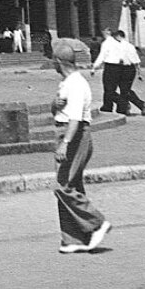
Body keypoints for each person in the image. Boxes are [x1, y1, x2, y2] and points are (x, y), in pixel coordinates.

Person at [50, 39, 112, 253]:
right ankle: (73, 238)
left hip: (74, 135)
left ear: (59, 61)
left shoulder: (76, 83)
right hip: (66, 130)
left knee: (62, 186)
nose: (52, 65)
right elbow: (61, 110)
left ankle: (96, 222)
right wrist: (54, 105)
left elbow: (75, 118)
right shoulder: (67, 82)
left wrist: (65, 143)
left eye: (53, 61)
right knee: (72, 186)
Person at [90, 28, 125, 113]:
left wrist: (94, 67)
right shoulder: (118, 42)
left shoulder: (106, 43)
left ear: (106, 33)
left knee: (108, 88)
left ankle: (121, 103)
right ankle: (108, 106)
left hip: (110, 67)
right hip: (121, 66)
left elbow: (102, 56)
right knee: (112, 88)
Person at [114, 30, 145, 116]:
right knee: (124, 90)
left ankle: (125, 108)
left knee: (125, 90)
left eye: (115, 38)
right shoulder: (118, 46)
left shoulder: (128, 46)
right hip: (121, 69)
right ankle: (135, 106)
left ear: (119, 36)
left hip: (128, 69)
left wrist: (139, 73)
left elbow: (136, 60)